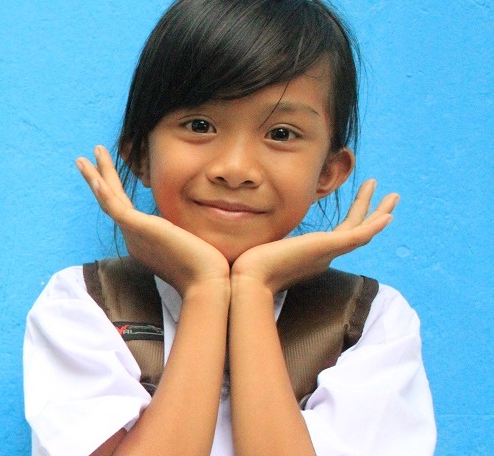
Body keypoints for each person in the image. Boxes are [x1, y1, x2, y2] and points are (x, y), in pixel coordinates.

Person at [22, 0, 436, 455]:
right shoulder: (85, 304)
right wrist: (205, 290)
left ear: (328, 173)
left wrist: (254, 289)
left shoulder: (367, 322)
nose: (235, 169)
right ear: (140, 154)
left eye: (281, 134)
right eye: (199, 125)